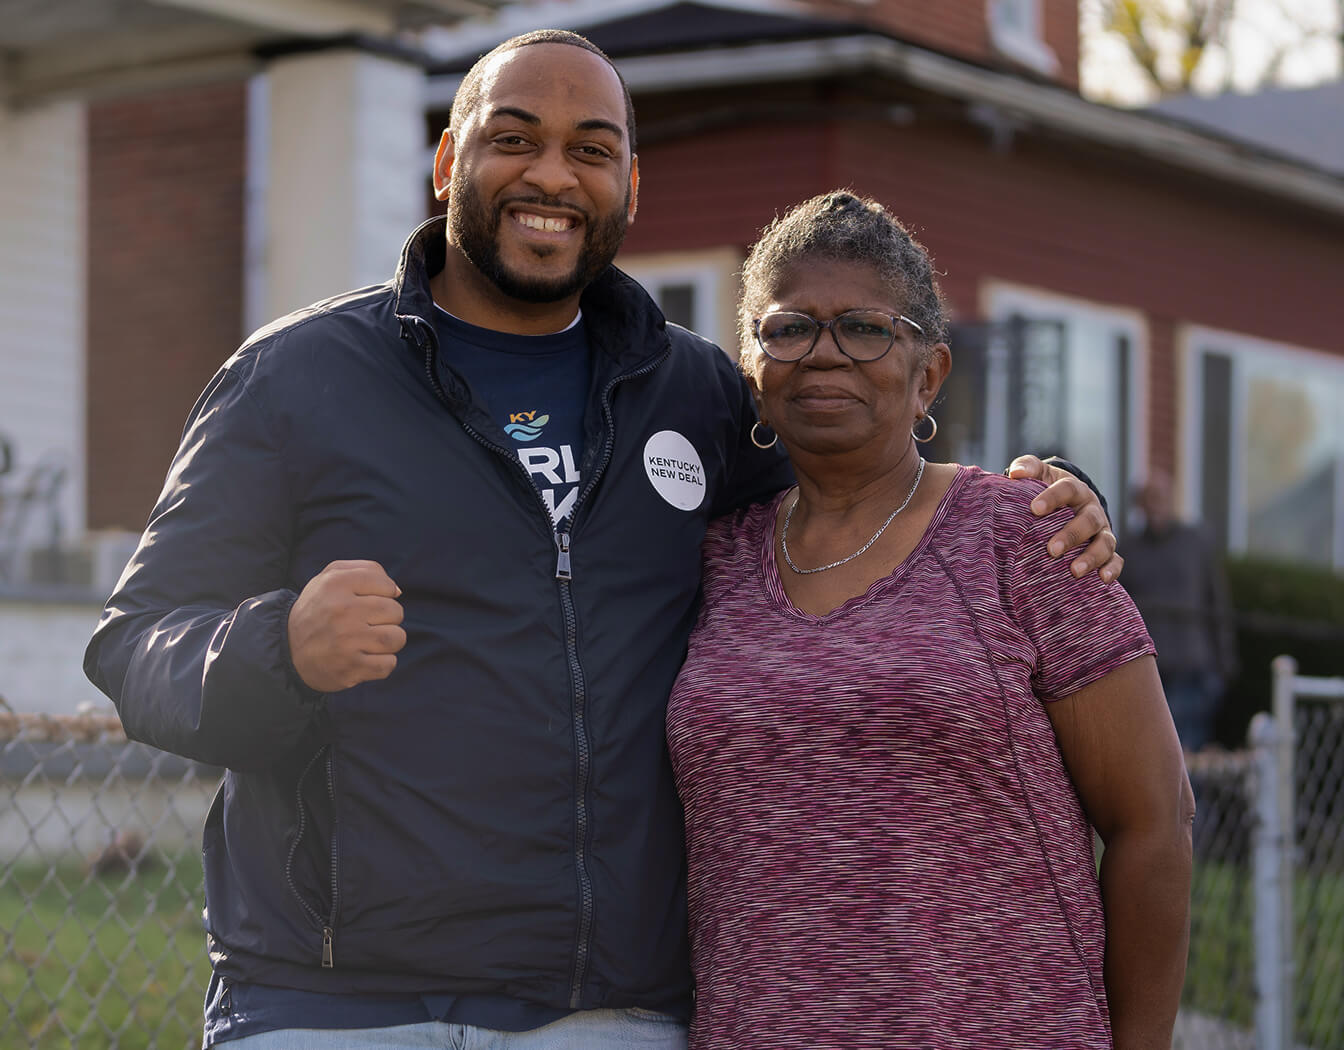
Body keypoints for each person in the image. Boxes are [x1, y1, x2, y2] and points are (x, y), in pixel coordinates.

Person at [82, 33, 1119, 1050]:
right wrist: (279, 648)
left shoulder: (695, 392)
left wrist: (1046, 496)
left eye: (590, 149)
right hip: (334, 1004)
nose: (551, 175)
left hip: (610, 1012)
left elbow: (850, 512)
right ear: (447, 163)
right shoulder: (294, 378)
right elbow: (133, 647)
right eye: (514, 139)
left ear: (628, 186)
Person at [665, 191, 1194, 1050]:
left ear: (929, 374)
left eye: (865, 328)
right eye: (789, 328)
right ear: (753, 372)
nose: (825, 352)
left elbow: (1156, 822)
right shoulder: (710, 557)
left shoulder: (1026, 536)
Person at [1122, 469, 1238, 752]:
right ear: (1139, 504)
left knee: (1188, 756)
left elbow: (1216, 603)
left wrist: (1224, 665)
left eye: (1161, 496)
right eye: (1149, 498)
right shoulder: (1128, 550)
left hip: (1193, 669)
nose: (1156, 504)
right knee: (1152, 752)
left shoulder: (1196, 543)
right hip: (1148, 671)